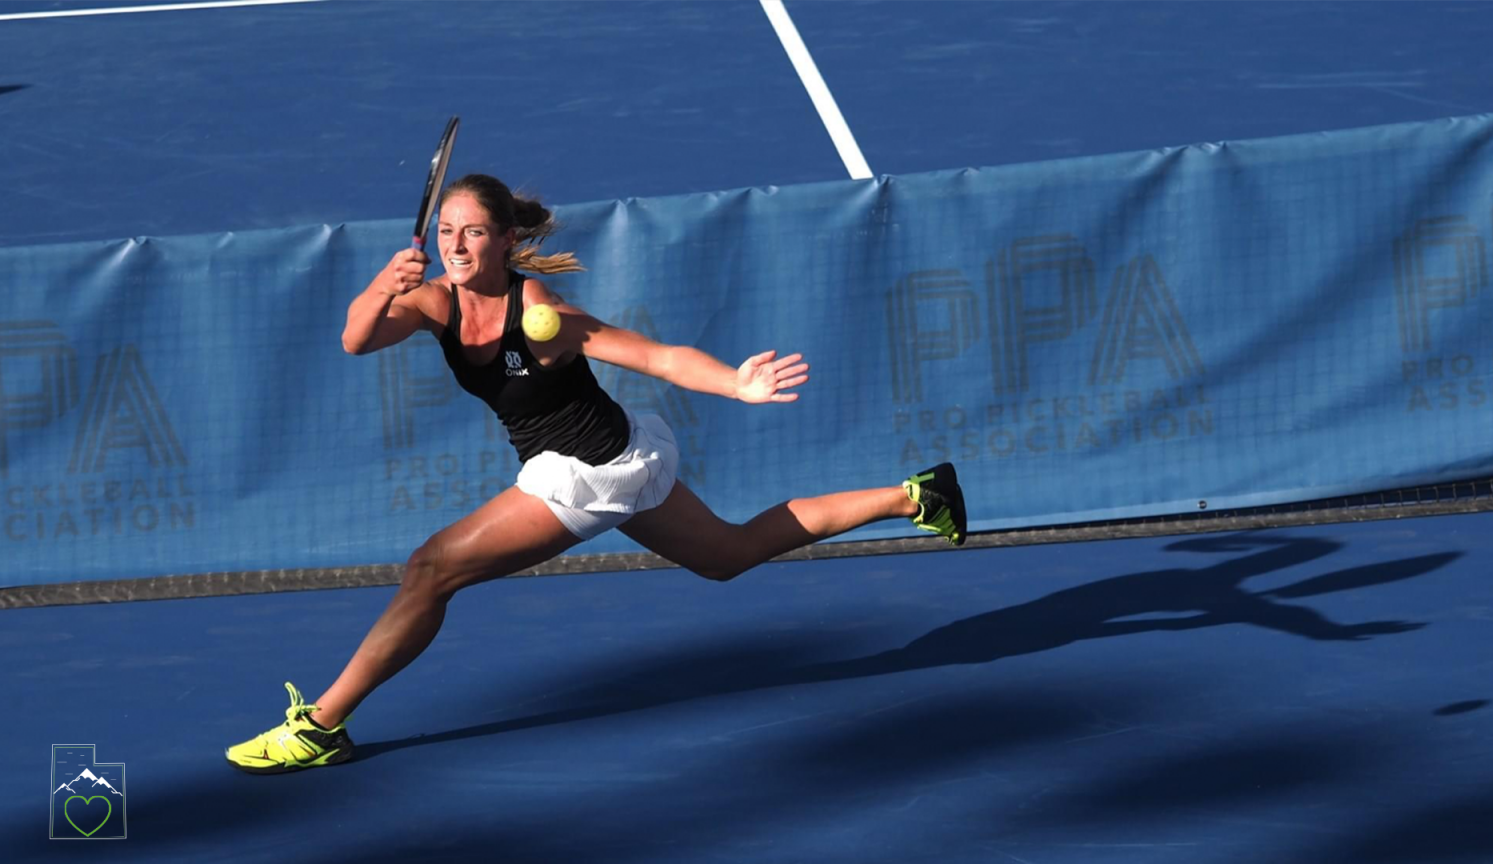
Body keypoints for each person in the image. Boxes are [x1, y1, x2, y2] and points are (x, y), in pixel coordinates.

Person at [224, 174, 966, 774]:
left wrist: (736, 384)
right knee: (728, 554)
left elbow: (655, 356)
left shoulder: (538, 308)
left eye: (472, 232)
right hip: (618, 460)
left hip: (589, 471)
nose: (455, 244)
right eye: (446, 231)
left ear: (505, 239)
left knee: (431, 569)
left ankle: (321, 727)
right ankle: (916, 496)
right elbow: (356, 339)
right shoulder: (432, 299)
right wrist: (383, 284)